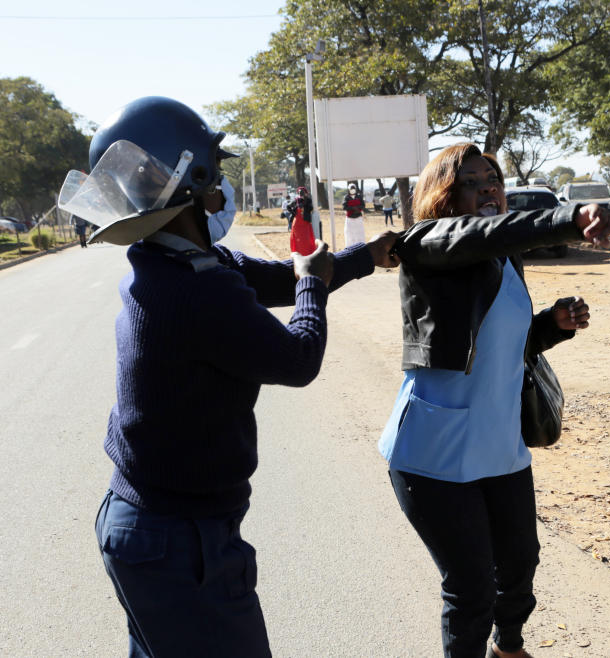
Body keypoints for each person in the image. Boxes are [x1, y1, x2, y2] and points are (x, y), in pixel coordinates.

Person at [57, 96, 399, 658]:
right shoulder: (195, 288)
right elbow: (298, 359)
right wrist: (314, 282)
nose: (222, 188)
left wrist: (364, 257)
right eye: (215, 175)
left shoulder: (169, 262)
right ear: (191, 177)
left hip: (147, 529)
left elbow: (277, 279)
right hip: (181, 543)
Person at [379, 143, 610, 658]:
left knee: (519, 564)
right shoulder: (428, 243)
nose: (489, 188)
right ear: (444, 194)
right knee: (471, 589)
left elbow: (503, 344)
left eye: (494, 179)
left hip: (500, 444)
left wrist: (551, 325)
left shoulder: (504, 258)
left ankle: (509, 648)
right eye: (472, 181)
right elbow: (482, 234)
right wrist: (571, 218)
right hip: (436, 452)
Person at [289, 186, 316, 255]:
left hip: (305, 222)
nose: (301, 194)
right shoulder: (296, 200)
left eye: (303, 192)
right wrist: (294, 213)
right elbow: (288, 206)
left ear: (306, 193)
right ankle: (298, 254)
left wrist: (304, 203)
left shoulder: (308, 200)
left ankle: (307, 254)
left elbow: (311, 209)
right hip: (297, 223)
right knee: (298, 240)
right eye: (300, 192)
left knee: (306, 239)